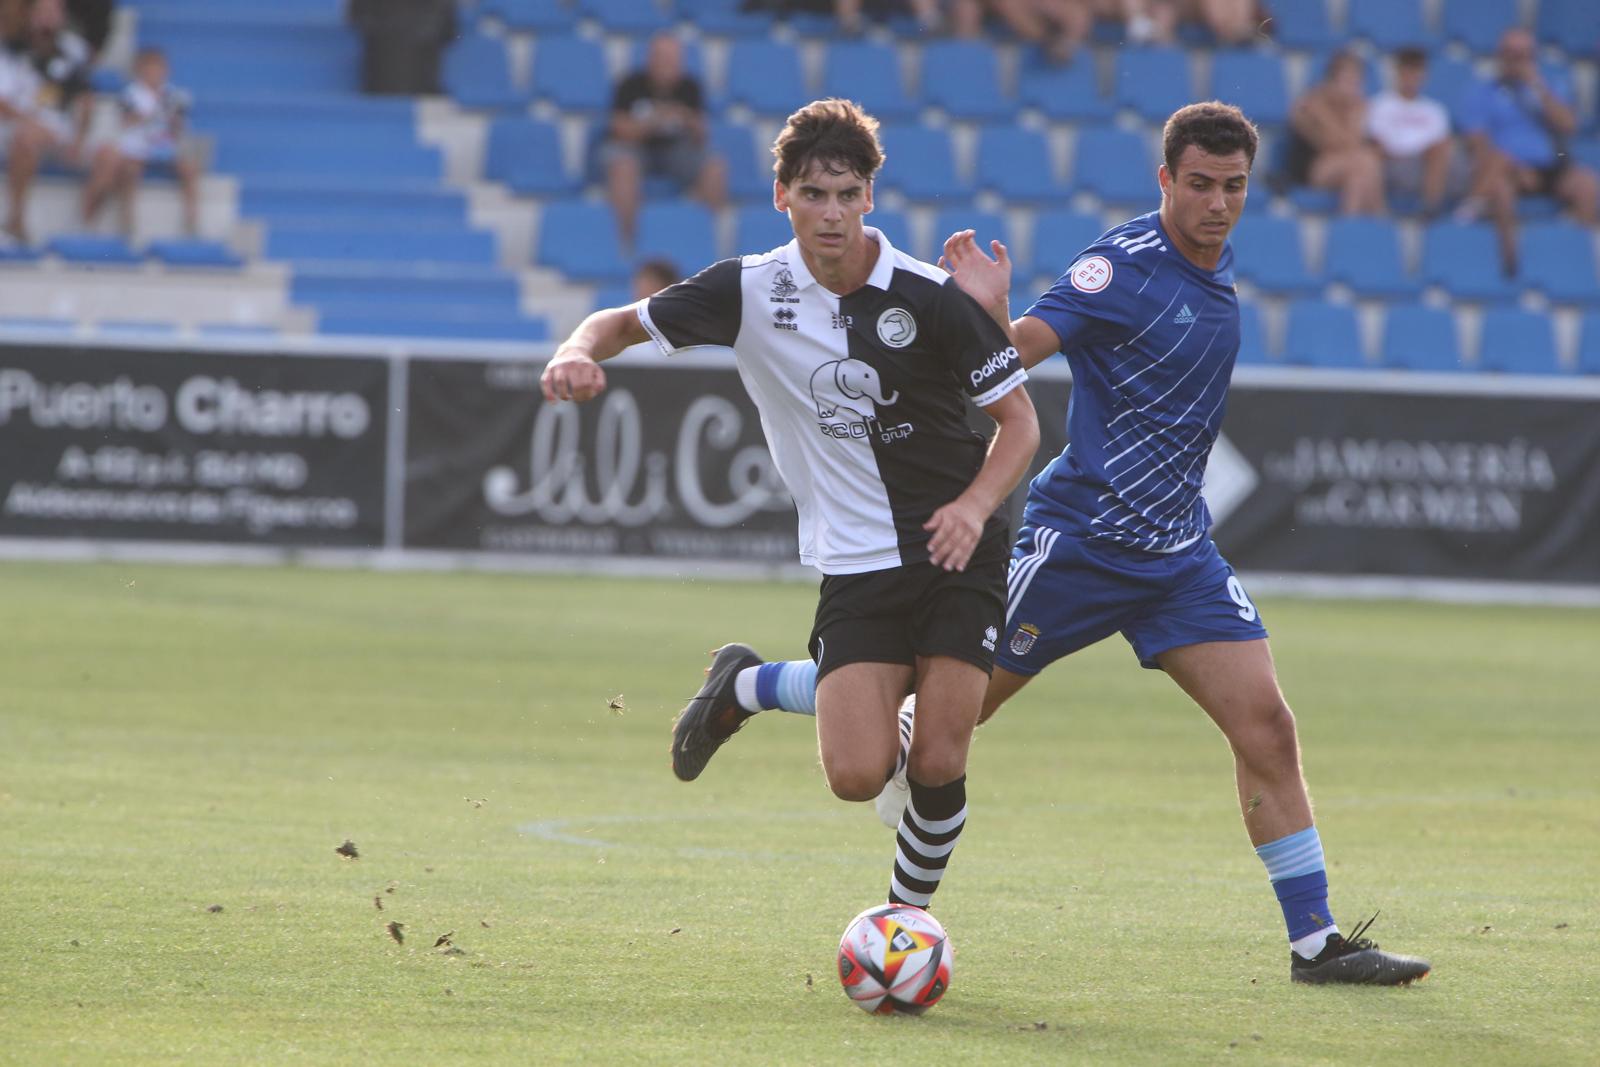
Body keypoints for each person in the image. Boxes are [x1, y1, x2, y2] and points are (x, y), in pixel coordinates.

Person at [677, 101, 1432, 987]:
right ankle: (753, 684)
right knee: (928, 711)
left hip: (1177, 555)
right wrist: (994, 314)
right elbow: (1012, 357)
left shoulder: (1216, 271)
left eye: (1232, 187)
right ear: (1165, 182)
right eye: (1198, 185)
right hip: (1077, 546)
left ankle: (1314, 942)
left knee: (1266, 724)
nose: (1217, 204)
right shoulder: (1120, 269)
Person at [543, 98, 1040, 912]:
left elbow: (1019, 425)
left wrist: (976, 506)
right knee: (855, 775)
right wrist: (574, 352)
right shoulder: (749, 289)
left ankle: (902, 924)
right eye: (814, 194)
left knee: (941, 756)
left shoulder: (929, 295)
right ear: (782, 197)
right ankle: (748, 685)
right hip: (855, 558)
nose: (832, 213)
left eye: (847, 194)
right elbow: (617, 322)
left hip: (960, 545)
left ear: (870, 198)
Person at [1458, 27, 1598, 273]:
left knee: (1588, 186)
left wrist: (1537, 87)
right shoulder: (1482, 92)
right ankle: (1512, 264)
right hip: (1508, 168)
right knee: (1500, 189)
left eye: (1522, 55)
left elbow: (1568, 125)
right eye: (1510, 54)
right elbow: (1476, 141)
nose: (1515, 61)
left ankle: (1579, 262)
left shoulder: (1549, 87)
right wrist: (1508, 166)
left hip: (1552, 165)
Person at [599, 33, 725, 248]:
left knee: (715, 166)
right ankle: (626, 243)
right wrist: (653, 121)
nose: (667, 65)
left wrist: (686, 118)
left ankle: (705, 238)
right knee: (623, 166)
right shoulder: (630, 84)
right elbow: (618, 129)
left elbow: (702, 135)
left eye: (672, 59)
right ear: (650, 59)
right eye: (662, 58)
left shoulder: (690, 87)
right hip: (634, 148)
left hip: (676, 150)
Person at [81, 46, 198, 238]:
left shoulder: (175, 95)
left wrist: (170, 119)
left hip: (164, 147)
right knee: (130, 170)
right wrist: (152, 114)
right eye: (150, 69)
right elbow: (126, 120)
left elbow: (180, 124)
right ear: (140, 70)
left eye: (159, 68)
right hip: (137, 148)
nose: (154, 73)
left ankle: (192, 220)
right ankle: (128, 221)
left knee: (190, 167)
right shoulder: (130, 93)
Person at [1, 0, 92, 244]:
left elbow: (85, 99)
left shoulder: (74, 49)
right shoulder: (10, 49)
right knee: (24, 136)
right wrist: (27, 120)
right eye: (43, 11)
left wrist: (81, 138)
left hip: (57, 126)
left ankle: (79, 229)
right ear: (29, 14)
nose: (49, 18)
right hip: (12, 122)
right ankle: (16, 220)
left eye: (55, 11)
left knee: (112, 154)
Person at [1366, 47, 1468, 217]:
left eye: (1416, 71)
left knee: (1450, 152)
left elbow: (1441, 145)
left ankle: (1435, 206)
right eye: (1407, 70)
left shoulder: (1435, 110)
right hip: (1394, 165)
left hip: (1430, 165)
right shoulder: (1380, 104)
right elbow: (1377, 144)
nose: (1411, 77)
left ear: (1424, 75)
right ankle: (1431, 207)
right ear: (1397, 72)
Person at [1288, 51, 1385, 216]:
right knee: (1367, 160)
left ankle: (1349, 226)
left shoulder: (1356, 107)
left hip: (1348, 166)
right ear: (1331, 81)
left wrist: (1355, 113)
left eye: (1356, 81)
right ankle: (1381, 219)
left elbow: (1352, 146)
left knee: (1358, 177)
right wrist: (1348, 113)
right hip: (1312, 168)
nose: (1353, 87)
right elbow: (1337, 143)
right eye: (1348, 80)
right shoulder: (1311, 105)